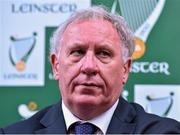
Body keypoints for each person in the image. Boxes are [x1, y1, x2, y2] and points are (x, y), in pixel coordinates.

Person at [1, 6, 180, 134]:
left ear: (125, 69)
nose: (88, 67)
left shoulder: (165, 132)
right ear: (56, 66)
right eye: (77, 52)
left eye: (103, 53)